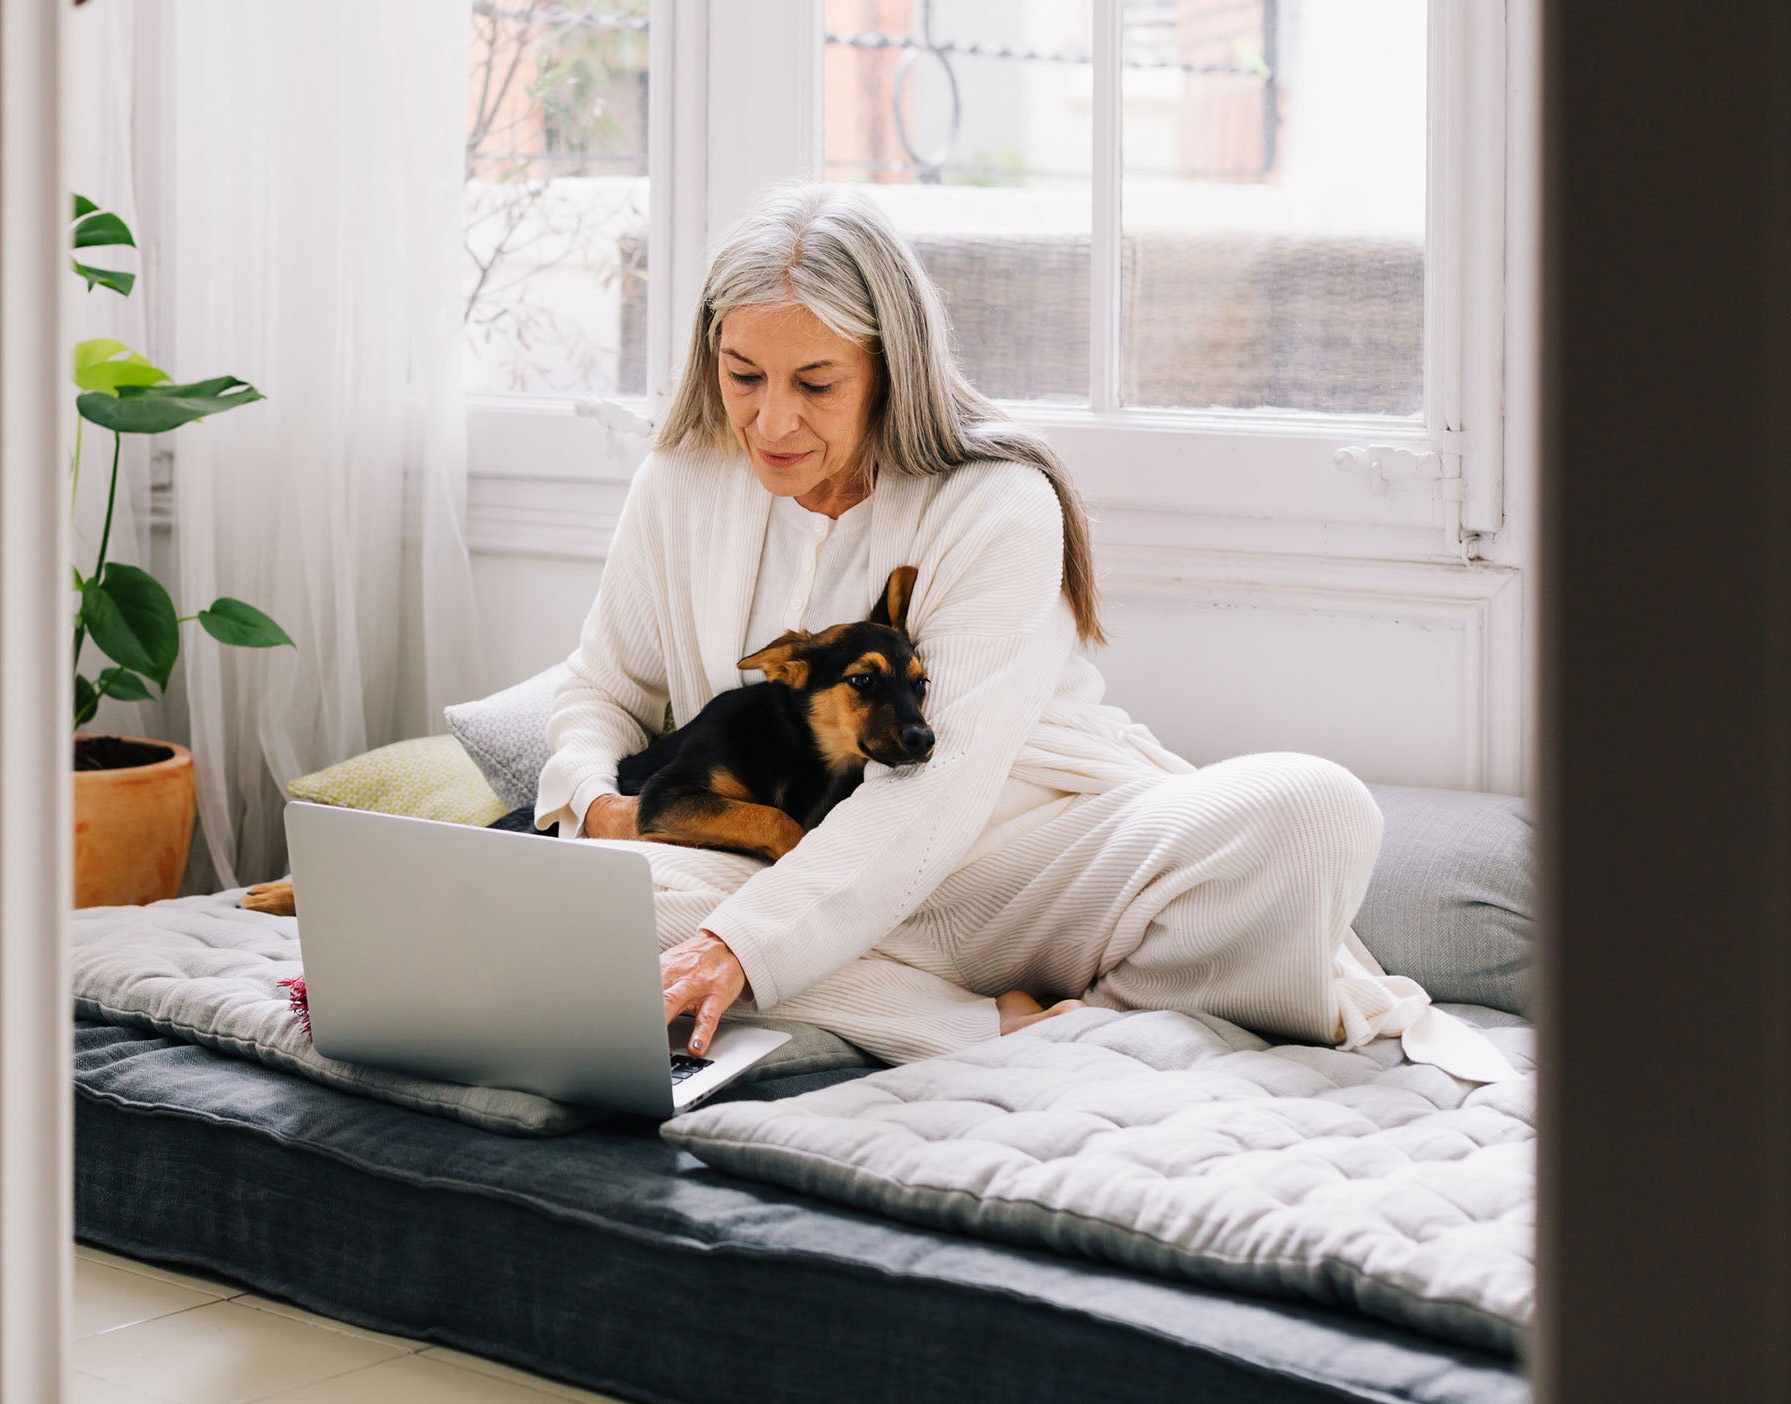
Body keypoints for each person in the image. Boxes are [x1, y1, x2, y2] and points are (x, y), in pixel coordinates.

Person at [534, 182, 1459, 1072]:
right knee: (589, 902)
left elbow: (935, 790)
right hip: (795, 865)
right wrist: (591, 805)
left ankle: (927, 1000)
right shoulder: (684, 478)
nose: (772, 419)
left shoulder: (998, 501)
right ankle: (995, 1027)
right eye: (744, 376)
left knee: (1312, 811)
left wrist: (737, 952)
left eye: (816, 383)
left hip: (1023, 869)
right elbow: (604, 689)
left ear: (889, 370)